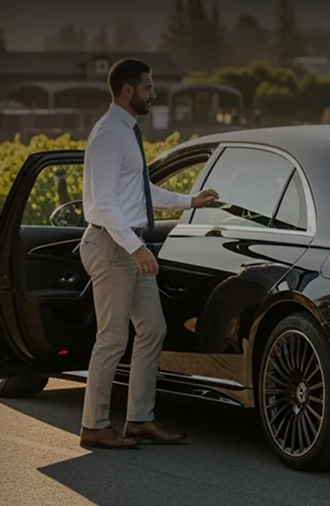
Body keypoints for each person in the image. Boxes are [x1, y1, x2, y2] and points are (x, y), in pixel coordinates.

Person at [77, 58, 220, 449]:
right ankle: (94, 426)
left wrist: (192, 200)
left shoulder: (127, 133)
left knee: (152, 329)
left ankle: (139, 419)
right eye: (148, 87)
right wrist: (137, 247)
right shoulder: (109, 134)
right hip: (112, 245)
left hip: (127, 245)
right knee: (111, 339)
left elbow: (142, 192)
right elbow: (104, 202)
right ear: (128, 91)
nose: (153, 94)